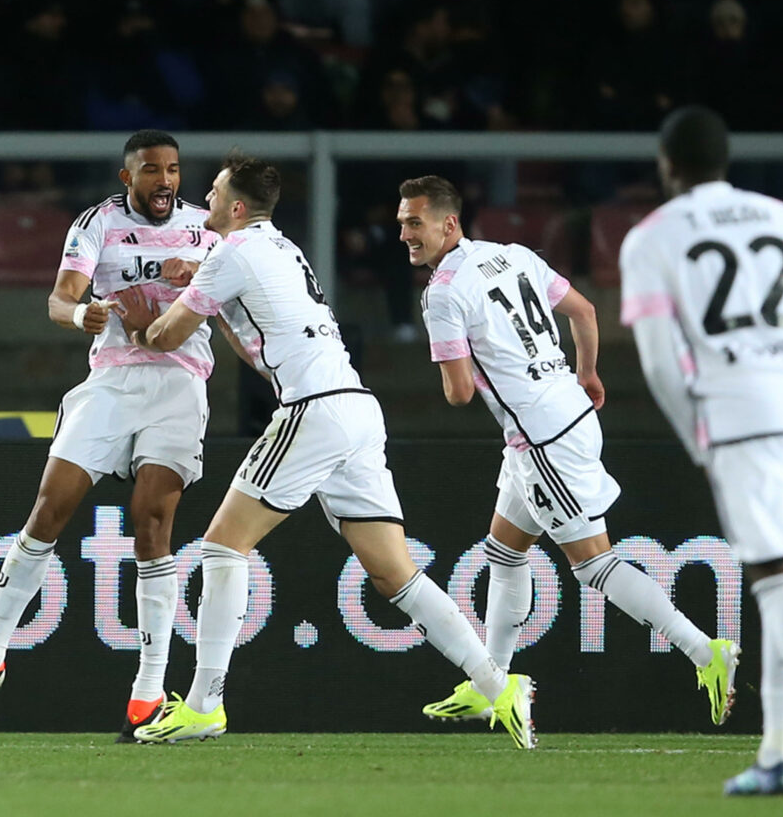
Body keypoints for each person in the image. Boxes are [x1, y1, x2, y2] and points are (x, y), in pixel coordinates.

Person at [112, 152, 535, 747]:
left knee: (219, 548)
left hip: (313, 407)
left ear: (236, 207)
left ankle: (206, 704)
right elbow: (259, 348)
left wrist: (138, 322)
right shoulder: (280, 248)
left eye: (211, 192)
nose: (201, 200)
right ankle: (498, 685)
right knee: (394, 574)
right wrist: (212, 298)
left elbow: (167, 336)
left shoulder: (230, 252)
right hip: (355, 407)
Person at [396, 174, 740, 729]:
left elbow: (458, 394)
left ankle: (705, 651)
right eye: (402, 224)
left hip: (544, 439)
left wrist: (460, 365)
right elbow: (584, 311)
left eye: (415, 222)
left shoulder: (442, 294)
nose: (406, 234)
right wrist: (587, 372)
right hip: (559, 419)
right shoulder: (513, 255)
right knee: (503, 552)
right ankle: (494, 680)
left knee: (594, 565)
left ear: (448, 223)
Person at [620, 106, 783, 799]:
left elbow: (656, 363)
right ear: (726, 160)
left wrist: (699, 437)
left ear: (667, 165)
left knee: (779, 584)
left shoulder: (651, 238)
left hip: (741, 415)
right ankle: (775, 759)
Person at [0, 130, 219, 744]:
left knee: (152, 522)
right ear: (128, 178)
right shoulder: (95, 223)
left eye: (172, 169)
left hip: (179, 385)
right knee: (50, 507)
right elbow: (60, 298)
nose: (164, 180)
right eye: (151, 170)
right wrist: (79, 315)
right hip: (111, 382)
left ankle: (147, 693)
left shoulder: (207, 226)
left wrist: (198, 274)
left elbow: (238, 296)